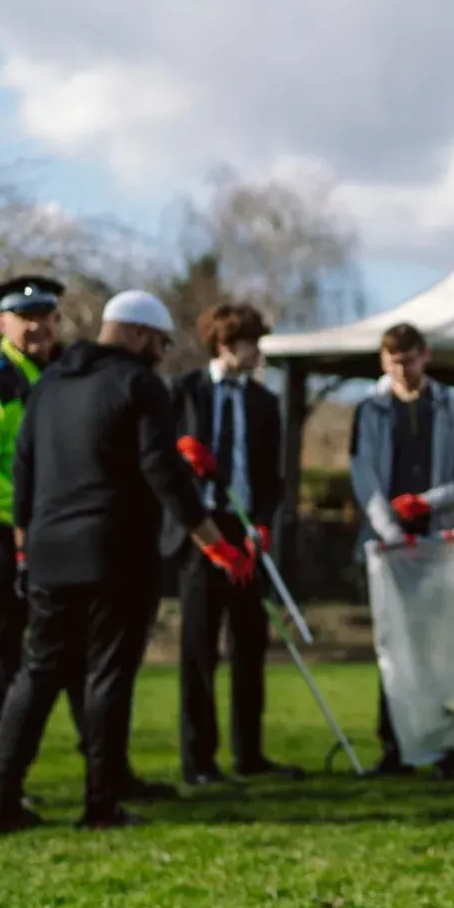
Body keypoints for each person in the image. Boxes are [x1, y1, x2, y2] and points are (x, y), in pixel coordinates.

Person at [0, 292, 254, 833]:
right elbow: (161, 470)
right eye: (158, 342)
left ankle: (0, 798)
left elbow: (24, 471)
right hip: (114, 552)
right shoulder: (139, 384)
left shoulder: (49, 383)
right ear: (137, 334)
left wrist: (23, 546)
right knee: (108, 674)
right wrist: (212, 541)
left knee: (37, 674)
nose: (159, 352)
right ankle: (101, 804)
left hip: (48, 550)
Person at [166, 302, 299, 787]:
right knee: (200, 650)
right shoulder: (183, 393)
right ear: (225, 345)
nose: (258, 353)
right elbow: (159, 460)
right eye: (251, 345)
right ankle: (199, 760)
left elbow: (273, 477)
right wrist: (187, 460)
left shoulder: (265, 403)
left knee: (250, 647)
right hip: (203, 530)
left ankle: (251, 752)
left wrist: (262, 523)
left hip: (246, 530)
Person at [0, 274, 78, 770]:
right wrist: (25, 516)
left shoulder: (61, 376)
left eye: (44, 316)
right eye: (25, 318)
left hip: (50, 532)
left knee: (60, 656)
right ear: (2, 322)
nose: (36, 327)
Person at [349, 321, 454, 777]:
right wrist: (388, 530)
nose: (401, 370)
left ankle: (445, 744)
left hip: (437, 542)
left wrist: (429, 501)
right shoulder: (371, 410)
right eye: (391, 362)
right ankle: (395, 744)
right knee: (394, 644)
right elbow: (363, 474)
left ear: (424, 356)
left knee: (441, 648)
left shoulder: (448, 408)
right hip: (391, 549)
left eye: (407, 360)